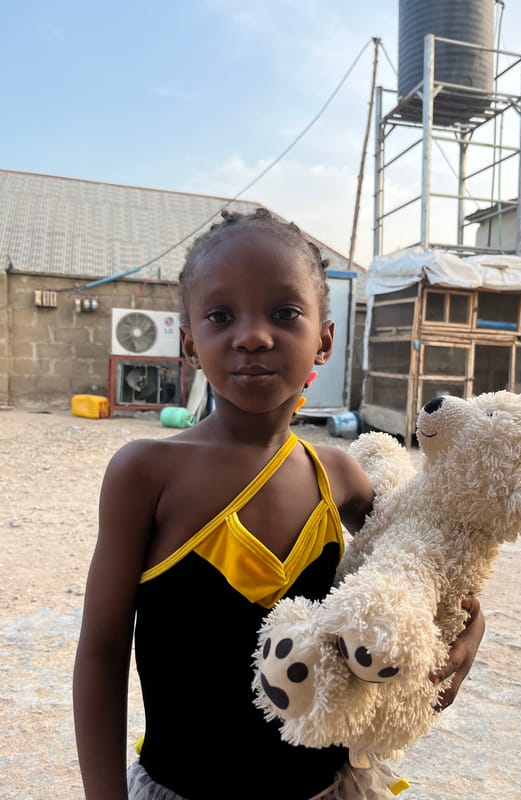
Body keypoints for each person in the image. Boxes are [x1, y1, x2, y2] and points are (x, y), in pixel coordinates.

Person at [73, 208, 485, 800]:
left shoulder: (338, 475)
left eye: (284, 312)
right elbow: (101, 651)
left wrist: (471, 627)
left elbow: (426, 566)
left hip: (324, 787)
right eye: (220, 315)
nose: (253, 335)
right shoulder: (145, 472)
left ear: (324, 338)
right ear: (190, 342)